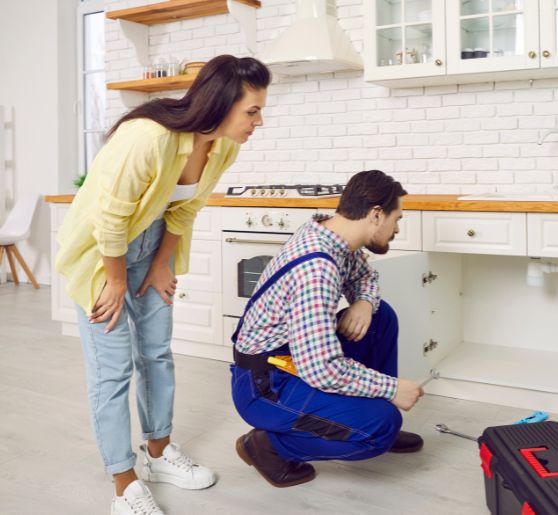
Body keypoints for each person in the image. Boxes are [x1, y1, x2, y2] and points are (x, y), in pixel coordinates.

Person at [55, 55, 271, 515]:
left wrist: (160, 263)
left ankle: (158, 454)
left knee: (155, 352)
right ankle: (123, 482)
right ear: (222, 102)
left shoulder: (222, 145)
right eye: (252, 110)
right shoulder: (148, 137)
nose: (259, 121)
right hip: (102, 254)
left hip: (152, 246)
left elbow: (185, 209)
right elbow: (109, 220)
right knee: (112, 370)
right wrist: (114, 280)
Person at [231, 169, 425, 488]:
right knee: (380, 428)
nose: (396, 229)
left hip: (292, 358)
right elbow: (322, 369)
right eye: (397, 219)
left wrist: (363, 302)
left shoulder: (332, 236)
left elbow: (366, 278)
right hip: (266, 386)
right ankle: (268, 446)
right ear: (376, 215)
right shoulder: (316, 270)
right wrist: (391, 387)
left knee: (379, 317)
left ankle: (370, 411)